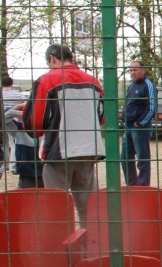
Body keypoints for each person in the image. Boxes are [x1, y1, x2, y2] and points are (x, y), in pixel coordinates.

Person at [21, 44, 104, 225]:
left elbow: (35, 121)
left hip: (58, 151)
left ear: (52, 58)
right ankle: (91, 240)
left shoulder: (47, 80)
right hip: (88, 148)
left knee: (56, 206)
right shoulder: (93, 81)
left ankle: (60, 241)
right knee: (89, 207)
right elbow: (102, 116)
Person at [120, 59, 155, 186]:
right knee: (125, 158)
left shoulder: (148, 85)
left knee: (142, 159)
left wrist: (140, 122)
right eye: (130, 70)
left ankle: (143, 186)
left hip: (140, 127)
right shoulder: (132, 85)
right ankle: (132, 185)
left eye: (135, 70)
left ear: (143, 70)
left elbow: (151, 107)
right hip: (128, 126)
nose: (132, 73)